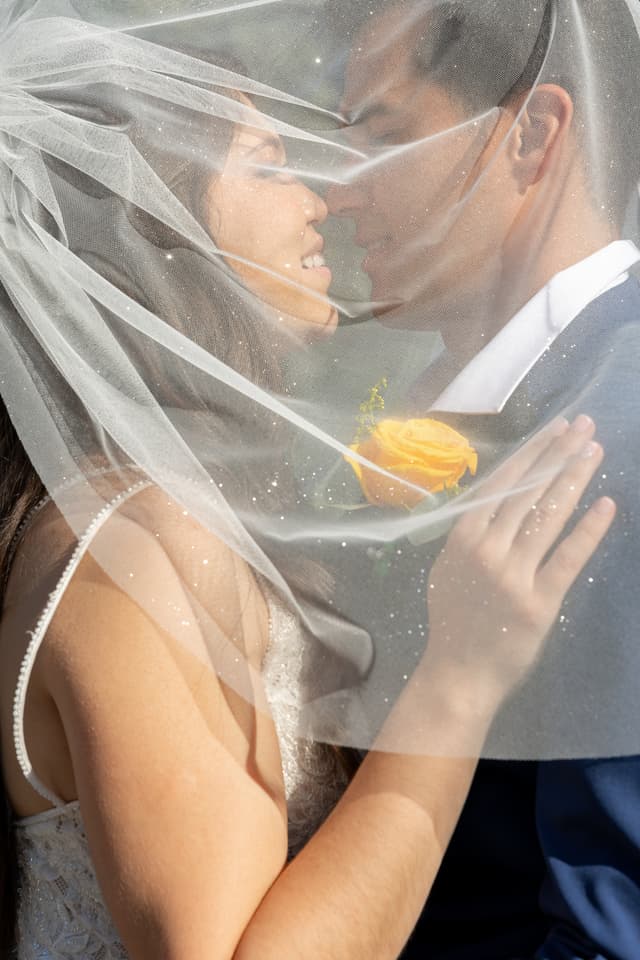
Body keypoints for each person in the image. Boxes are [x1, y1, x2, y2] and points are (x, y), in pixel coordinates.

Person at [0, 3, 617, 959]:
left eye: (373, 135)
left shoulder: (165, 515)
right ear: (157, 225)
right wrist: (458, 676)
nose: (322, 197)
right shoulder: (141, 543)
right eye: (272, 163)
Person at [328, 0, 640, 957]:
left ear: (535, 134)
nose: (338, 194)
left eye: (382, 136)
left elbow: (611, 916)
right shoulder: (509, 401)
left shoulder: (616, 436)